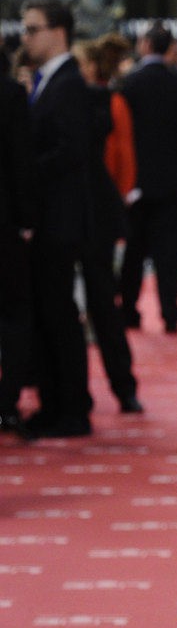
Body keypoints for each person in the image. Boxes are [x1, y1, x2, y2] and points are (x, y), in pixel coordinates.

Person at [18, 0, 95, 439]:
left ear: (58, 31)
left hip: (58, 218)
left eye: (33, 29)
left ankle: (70, 408)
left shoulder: (68, 83)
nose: (26, 37)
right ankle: (56, 403)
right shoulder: (50, 81)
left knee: (59, 314)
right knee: (50, 312)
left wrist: (23, 171)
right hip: (50, 216)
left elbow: (70, 151)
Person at [73, 39, 142, 414]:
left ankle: (123, 386)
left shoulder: (111, 103)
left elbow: (123, 157)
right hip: (82, 214)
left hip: (99, 216)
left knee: (103, 304)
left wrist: (119, 200)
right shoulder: (79, 101)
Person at [119, 23, 177, 333]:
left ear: (144, 46)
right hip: (173, 184)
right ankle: (170, 314)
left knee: (134, 252)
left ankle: (129, 311)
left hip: (136, 185)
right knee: (169, 255)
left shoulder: (130, 84)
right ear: (168, 49)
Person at [0, 51, 37, 432]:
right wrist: (27, 220)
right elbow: (20, 161)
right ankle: (7, 403)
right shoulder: (10, 94)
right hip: (6, 225)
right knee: (13, 313)